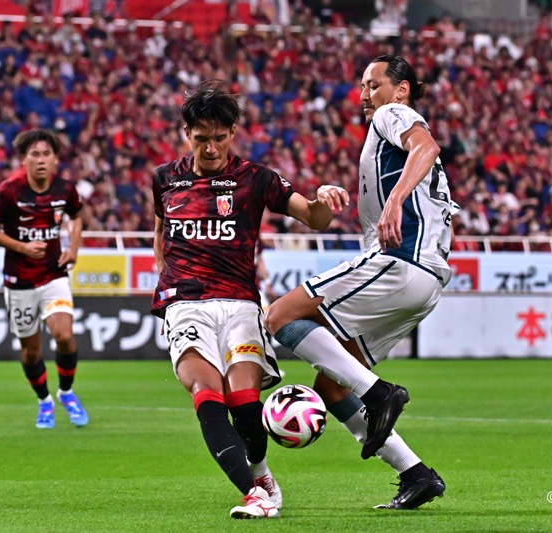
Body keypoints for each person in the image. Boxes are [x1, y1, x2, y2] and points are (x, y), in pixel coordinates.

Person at [151, 81, 349, 520]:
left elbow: (312, 217)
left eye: (219, 138)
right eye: (201, 138)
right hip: (186, 303)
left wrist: (323, 200)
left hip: (239, 303)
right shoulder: (165, 177)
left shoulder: (256, 178)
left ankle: (260, 474)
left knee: (243, 400)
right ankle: (253, 493)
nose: (210, 148)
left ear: (233, 133)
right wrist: (166, 277)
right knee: (206, 391)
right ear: (186, 133)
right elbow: (161, 231)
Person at [264, 55, 454, 509]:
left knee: (279, 316)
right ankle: (415, 474)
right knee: (332, 387)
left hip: (400, 261)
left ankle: (378, 391)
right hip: (427, 281)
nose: (365, 95)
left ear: (401, 89)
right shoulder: (381, 133)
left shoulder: (393, 114)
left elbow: (427, 147)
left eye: (374, 84)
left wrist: (395, 201)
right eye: (363, 86)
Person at [0, 128, 88, 429]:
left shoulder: (65, 190)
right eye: (35, 154)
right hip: (20, 281)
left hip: (53, 274)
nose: (41, 160)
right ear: (24, 160)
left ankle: (66, 393)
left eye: (46, 154)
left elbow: (76, 216)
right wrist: (22, 247)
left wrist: (73, 248)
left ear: (55, 160)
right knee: (31, 351)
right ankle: (44, 402)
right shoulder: (8, 191)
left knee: (64, 336)